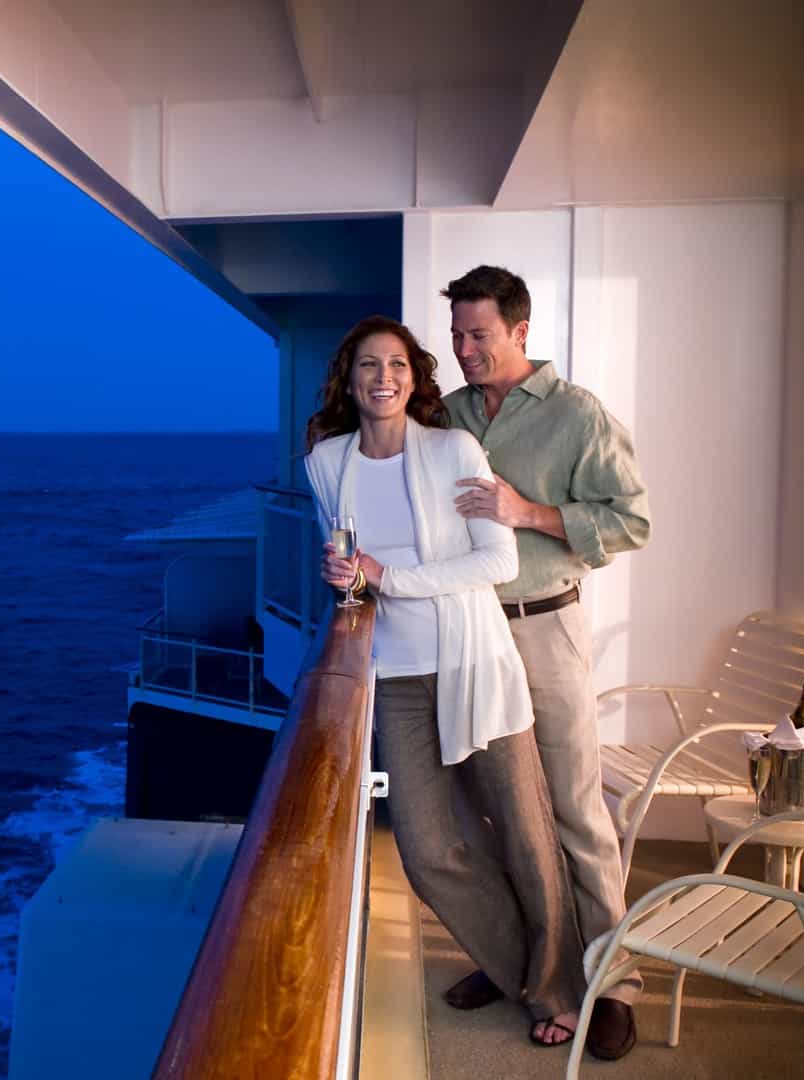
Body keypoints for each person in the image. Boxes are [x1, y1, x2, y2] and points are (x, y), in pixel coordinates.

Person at [305, 314, 585, 1047]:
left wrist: (389, 578)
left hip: (474, 662)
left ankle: (556, 989)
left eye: (397, 364)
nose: (384, 378)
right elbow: (347, 569)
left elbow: (496, 563)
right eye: (369, 365)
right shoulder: (327, 463)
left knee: (526, 830)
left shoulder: (453, 449)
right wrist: (344, 579)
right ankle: (520, 966)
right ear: (350, 379)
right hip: (392, 674)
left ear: (414, 376)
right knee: (429, 849)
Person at [439, 265, 652, 1062]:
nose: (463, 350)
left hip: (543, 628)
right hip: (465, 637)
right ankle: (523, 964)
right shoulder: (452, 415)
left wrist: (526, 511)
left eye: (479, 335)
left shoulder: (576, 415)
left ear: (520, 332)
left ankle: (616, 982)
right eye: (457, 335)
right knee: (493, 814)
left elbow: (633, 520)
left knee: (572, 812)